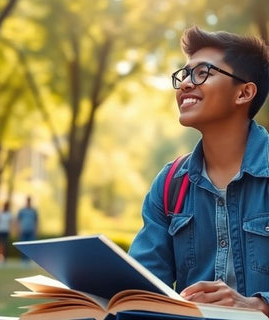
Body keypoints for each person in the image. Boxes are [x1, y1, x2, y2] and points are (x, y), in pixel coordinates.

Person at [129, 26, 269, 316]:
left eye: (202, 73)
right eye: (183, 75)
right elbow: (143, 287)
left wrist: (258, 305)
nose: (185, 85)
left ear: (244, 93)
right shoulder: (169, 185)